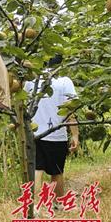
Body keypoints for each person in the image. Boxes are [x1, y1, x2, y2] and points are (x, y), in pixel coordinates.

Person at [25, 56, 79, 205]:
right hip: (56, 135)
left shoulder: (32, 81)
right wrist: (75, 135)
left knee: (37, 169)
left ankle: (35, 207)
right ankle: (57, 205)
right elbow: (70, 111)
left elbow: (23, 104)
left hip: (34, 134)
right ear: (61, 63)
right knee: (56, 172)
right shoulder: (65, 82)